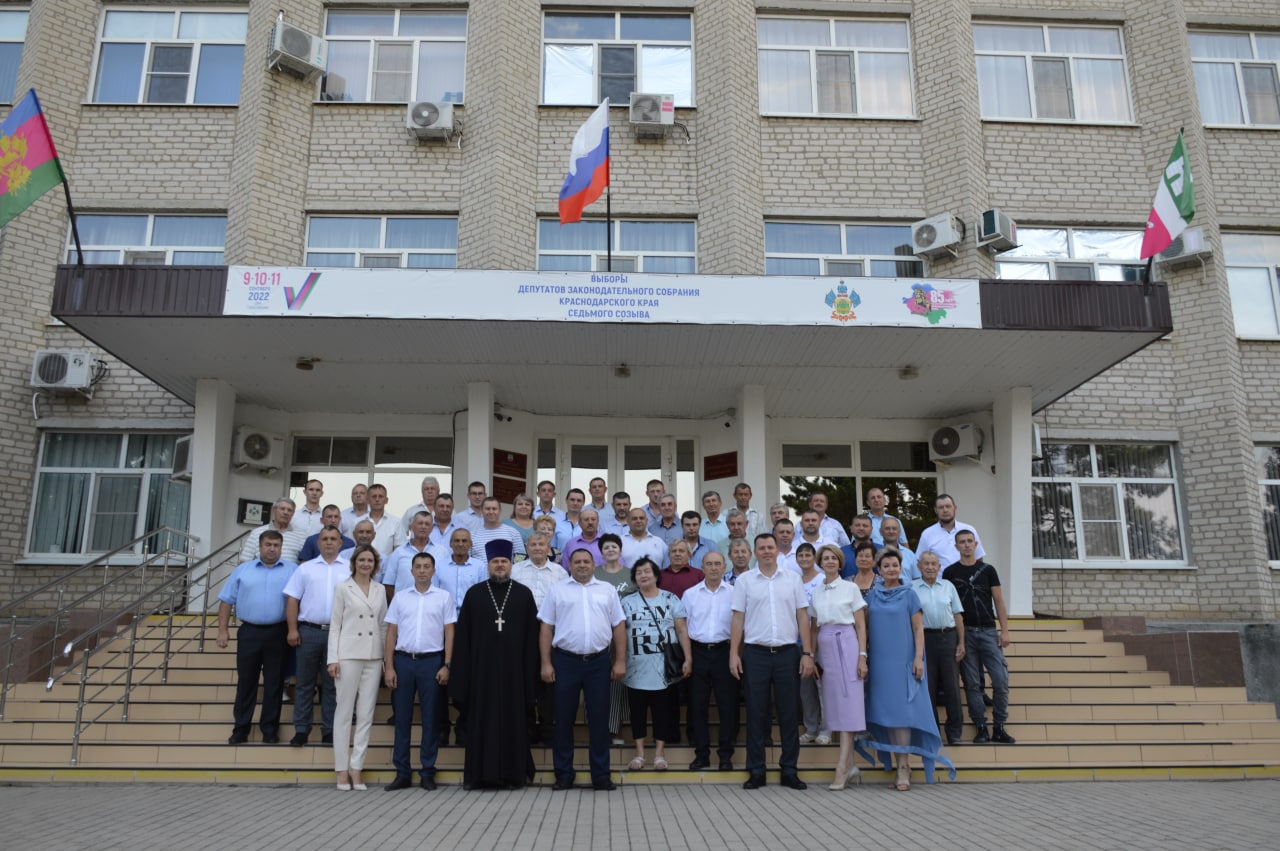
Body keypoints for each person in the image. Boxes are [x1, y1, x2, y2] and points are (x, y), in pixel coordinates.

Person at [863, 548, 956, 790]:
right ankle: (898, 763)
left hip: (903, 661)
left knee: (902, 715)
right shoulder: (872, 597)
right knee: (887, 715)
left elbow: (918, 629)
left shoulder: (909, 594)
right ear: (879, 569)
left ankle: (903, 767)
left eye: (895, 565)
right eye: (886, 566)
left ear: (901, 567)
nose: (891, 569)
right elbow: (865, 630)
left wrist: (918, 658)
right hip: (880, 664)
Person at [452, 539, 541, 789]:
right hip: (481, 673)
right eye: (495, 562)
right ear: (488, 565)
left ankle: (513, 776)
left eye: (503, 561)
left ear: (510, 564)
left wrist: (530, 676)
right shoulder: (474, 594)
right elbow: (464, 639)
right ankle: (480, 776)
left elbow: (532, 638)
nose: (499, 565)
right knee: (482, 722)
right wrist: (463, 676)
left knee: (514, 721)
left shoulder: (523, 594)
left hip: (515, 673)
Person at [730, 533, 815, 790]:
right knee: (756, 713)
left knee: (789, 714)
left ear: (777, 550)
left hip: (788, 653)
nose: (767, 551)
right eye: (762, 548)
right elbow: (737, 618)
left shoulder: (792, 579)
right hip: (755, 654)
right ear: (755, 552)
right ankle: (756, 770)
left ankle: (789, 769)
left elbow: (803, 616)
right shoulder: (744, 581)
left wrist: (807, 653)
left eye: (770, 547)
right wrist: (734, 653)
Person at [538, 548, 627, 791]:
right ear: (570, 565)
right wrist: (546, 663)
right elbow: (546, 627)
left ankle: (601, 776)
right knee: (563, 719)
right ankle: (564, 775)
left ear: (593, 564)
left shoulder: (607, 590)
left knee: (599, 720)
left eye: (586, 561)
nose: (582, 565)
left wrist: (620, 661)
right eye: (577, 561)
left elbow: (619, 626)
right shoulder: (557, 590)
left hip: (599, 662)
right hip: (566, 662)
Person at [216, 529, 297, 745]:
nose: (272, 549)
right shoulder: (243, 570)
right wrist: (223, 630)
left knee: (274, 683)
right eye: (268, 545)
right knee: (246, 681)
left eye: (276, 545)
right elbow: (226, 601)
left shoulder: (293, 570)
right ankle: (241, 728)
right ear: (260, 547)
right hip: (249, 633)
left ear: (281, 548)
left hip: (278, 633)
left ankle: (269, 729)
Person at [383, 551, 454, 792]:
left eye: (426, 566)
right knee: (402, 719)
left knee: (430, 719)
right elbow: (391, 633)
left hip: (432, 662)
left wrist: (447, 665)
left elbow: (449, 632)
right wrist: (389, 667)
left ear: (433, 570)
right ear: (411, 570)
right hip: (403, 661)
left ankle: (427, 771)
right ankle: (402, 772)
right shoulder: (400, 597)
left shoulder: (443, 597)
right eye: (418, 566)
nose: (422, 570)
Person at [621, 557, 691, 772]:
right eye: (639, 572)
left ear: (656, 575)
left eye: (647, 571)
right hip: (635, 666)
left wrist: (688, 658)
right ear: (634, 578)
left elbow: (681, 630)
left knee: (662, 712)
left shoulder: (670, 599)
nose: (643, 575)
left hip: (664, 667)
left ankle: (660, 754)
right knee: (637, 713)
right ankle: (639, 753)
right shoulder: (626, 602)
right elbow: (619, 633)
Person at [326, 544, 387, 791]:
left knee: (366, 714)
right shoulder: (343, 587)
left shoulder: (380, 589)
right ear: (354, 563)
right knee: (343, 713)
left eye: (370, 560)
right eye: (361, 560)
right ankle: (341, 770)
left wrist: (385, 658)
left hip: (373, 655)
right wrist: (333, 658)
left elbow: (383, 625)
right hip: (348, 655)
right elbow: (335, 625)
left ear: (375, 564)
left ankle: (357, 768)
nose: (365, 564)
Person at [283, 526, 350, 747]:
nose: (329, 542)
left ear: (340, 542)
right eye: (325, 539)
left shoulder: (350, 569)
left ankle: (329, 730)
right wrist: (292, 629)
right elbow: (292, 599)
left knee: (333, 684)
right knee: (304, 683)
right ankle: (301, 729)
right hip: (309, 631)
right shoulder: (305, 569)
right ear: (318, 543)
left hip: (338, 634)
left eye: (333, 538)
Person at [947, 529, 1015, 744]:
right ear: (956, 546)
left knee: (1001, 681)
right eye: (962, 542)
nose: (966, 545)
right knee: (972, 684)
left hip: (988, 631)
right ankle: (981, 727)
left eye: (970, 541)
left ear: (976, 544)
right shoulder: (950, 572)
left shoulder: (988, 570)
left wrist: (1004, 630)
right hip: (965, 633)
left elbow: (999, 601)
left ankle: (999, 726)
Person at [810, 544, 868, 790]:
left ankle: (842, 767)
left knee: (849, 705)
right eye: (826, 558)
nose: (830, 561)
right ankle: (851, 764)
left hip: (847, 643)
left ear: (840, 562)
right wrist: (811, 656)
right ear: (820, 563)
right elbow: (814, 627)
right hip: (826, 647)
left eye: (834, 558)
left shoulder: (850, 587)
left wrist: (862, 656)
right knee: (835, 706)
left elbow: (861, 625)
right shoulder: (816, 591)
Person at [681, 551, 738, 771]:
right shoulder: (690, 594)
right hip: (698, 652)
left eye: (717, 564)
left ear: (724, 567)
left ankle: (725, 756)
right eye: (709, 564)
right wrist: (688, 657)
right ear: (702, 568)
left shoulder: (734, 593)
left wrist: (736, 654)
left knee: (727, 706)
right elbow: (683, 628)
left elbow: (740, 626)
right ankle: (701, 755)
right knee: (697, 706)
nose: (713, 568)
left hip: (725, 652)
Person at [512, 531, 568, 744]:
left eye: (541, 544)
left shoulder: (560, 573)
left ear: (548, 548)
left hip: (551, 630)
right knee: (524, 676)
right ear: (527, 548)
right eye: (533, 544)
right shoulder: (515, 570)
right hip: (521, 631)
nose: (537, 548)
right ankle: (526, 727)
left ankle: (547, 726)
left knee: (548, 678)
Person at [431, 527, 484, 746]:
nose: (461, 544)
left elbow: (483, 595)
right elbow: (433, 595)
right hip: (444, 626)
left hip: (471, 627)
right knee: (441, 678)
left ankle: (464, 727)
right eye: (457, 540)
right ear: (450, 544)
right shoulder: (439, 566)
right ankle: (442, 729)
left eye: (464, 541)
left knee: (468, 677)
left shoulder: (480, 567)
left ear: (470, 545)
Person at [912, 550, 966, 746]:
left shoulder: (948, 586)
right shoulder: (911, 588)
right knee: (928, 688)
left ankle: (955, 732)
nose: (930, 567)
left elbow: (958, 616)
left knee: (952, 686)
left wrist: (961, 642)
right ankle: (933, 731)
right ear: (919, 566)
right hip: (924, 639)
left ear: (939, 567)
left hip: (948, 637)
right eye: (926, 563)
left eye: (933, 563)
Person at [795, 542, 828, 746]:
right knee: (805, 689)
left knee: (822, 686)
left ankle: (826, 728)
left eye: (808, 555)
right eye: (801, 555)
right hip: (798, 640)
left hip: (820, 638)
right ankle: (811, 728)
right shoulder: (794, 581)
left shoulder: (822, 580)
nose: (804, 558)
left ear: (814, 557)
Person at [917, 493, 984, 568]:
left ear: (955, 508)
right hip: (940, 576)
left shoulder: (969, 530)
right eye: (941, 507)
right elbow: (920, 561)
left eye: (948, 506)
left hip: (968, 575)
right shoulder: (927, 534)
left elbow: (979, 557)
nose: (945, 510)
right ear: (936, 510)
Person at [381, 511, 434, 598]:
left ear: (432, 528)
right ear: (412, 526)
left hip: (434, 603)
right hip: (404, 604)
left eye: (427, 524)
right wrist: (399, 603)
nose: (423, 527)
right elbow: (389, 584)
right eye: (420, 523)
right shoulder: (398, 552)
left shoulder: (442, 552)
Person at [240, 497, 306, 564]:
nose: (285, 512)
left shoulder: (301, 535)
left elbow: (305, 564)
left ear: (293, 513)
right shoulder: (257, 533)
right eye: (282, 509)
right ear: (274, 510)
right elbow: (245, 562)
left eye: (289, 510)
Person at [469, 496, 526, 561]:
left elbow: (521, 559)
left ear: (500, 511)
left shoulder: (513, 533)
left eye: (494, 509)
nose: (491, 512)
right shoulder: (472, 535)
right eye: (487, 509)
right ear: (481, 511)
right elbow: (467, 560)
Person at [365, 483, 403, 559]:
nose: (377, 499)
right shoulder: (358, 522)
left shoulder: (396, 522)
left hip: (387, 565)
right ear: (368, 500)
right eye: (374, 496)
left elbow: (400, 550)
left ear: (386, 500)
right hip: (363, 564)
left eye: (380, 496)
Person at [879, 517, 919, 581]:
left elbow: (917, 579)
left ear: (899, 532)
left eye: (894, 528)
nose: (891, 531)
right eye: (887, 528)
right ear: (881, 532)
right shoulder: (876, 554)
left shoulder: (910, 554)